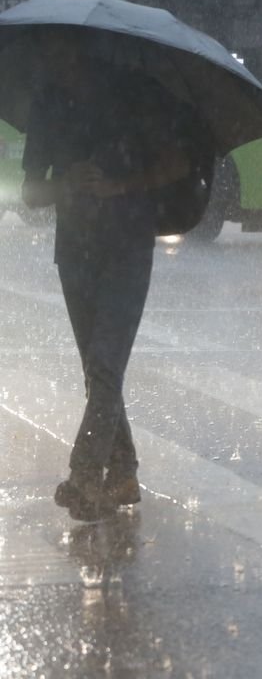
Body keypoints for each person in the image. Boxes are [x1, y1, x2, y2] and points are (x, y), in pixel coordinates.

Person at [21, 29, 189, 522]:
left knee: (105, 367)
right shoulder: (48, 105)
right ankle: (124, 471)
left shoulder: (133, 95)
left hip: (127, 248)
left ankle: (84, 476)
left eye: (60, 48)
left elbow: (176, 163)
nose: (53, 57)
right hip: (74, 252)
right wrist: (64, 184)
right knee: (99, 371)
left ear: (80, 48)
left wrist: (119, 186)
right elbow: (31, 193)